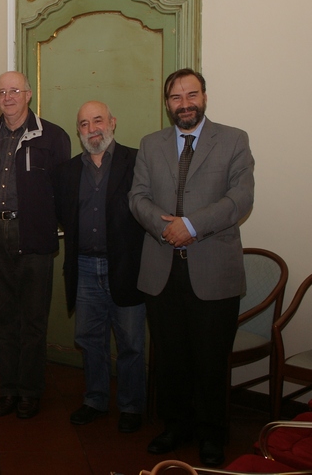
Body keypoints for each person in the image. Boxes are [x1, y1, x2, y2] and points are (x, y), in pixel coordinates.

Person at [129, 68, 255, 467]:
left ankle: (212, 434)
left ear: (204, 96)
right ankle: (175, 426)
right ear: (166, 103)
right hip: (161, 267)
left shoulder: (234, 140)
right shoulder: (151, 145)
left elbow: (240, 198)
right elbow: (138, 197)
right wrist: (166, 228)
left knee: (210, 357)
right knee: (170, 355)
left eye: (191, 95)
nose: (184, 104)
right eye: (175, 97)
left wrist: (192, 225)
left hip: (213, 268)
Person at [0, 71, 70, 420]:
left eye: (15, 90)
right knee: (1, 318)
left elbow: (63, 191)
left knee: (32, 319)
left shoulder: (53, 136)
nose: (8, 96)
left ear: (28, 94)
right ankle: (9, 388)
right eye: (2, 91)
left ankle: (30, 391)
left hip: (34, 236)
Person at [55, 101, 147, 433]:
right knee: (89, 338)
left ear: (113, 122)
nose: (92, 129)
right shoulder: (66, 172)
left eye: (98, 121)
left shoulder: (137, 162)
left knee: (131, 341)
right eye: (84, 124)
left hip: (125, 267)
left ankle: (132, 405)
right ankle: (94, 399)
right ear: (77, 131)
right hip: (83, 267)